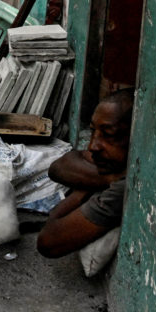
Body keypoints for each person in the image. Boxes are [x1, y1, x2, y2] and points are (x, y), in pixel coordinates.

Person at [36, 88, 134, 259]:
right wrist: (106, 178)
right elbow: (59, 167)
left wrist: (82, 190)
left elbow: (48, 242)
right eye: (93, 132)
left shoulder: (122, 189)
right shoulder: (115, 165)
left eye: (108, 134)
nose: (93, 146)